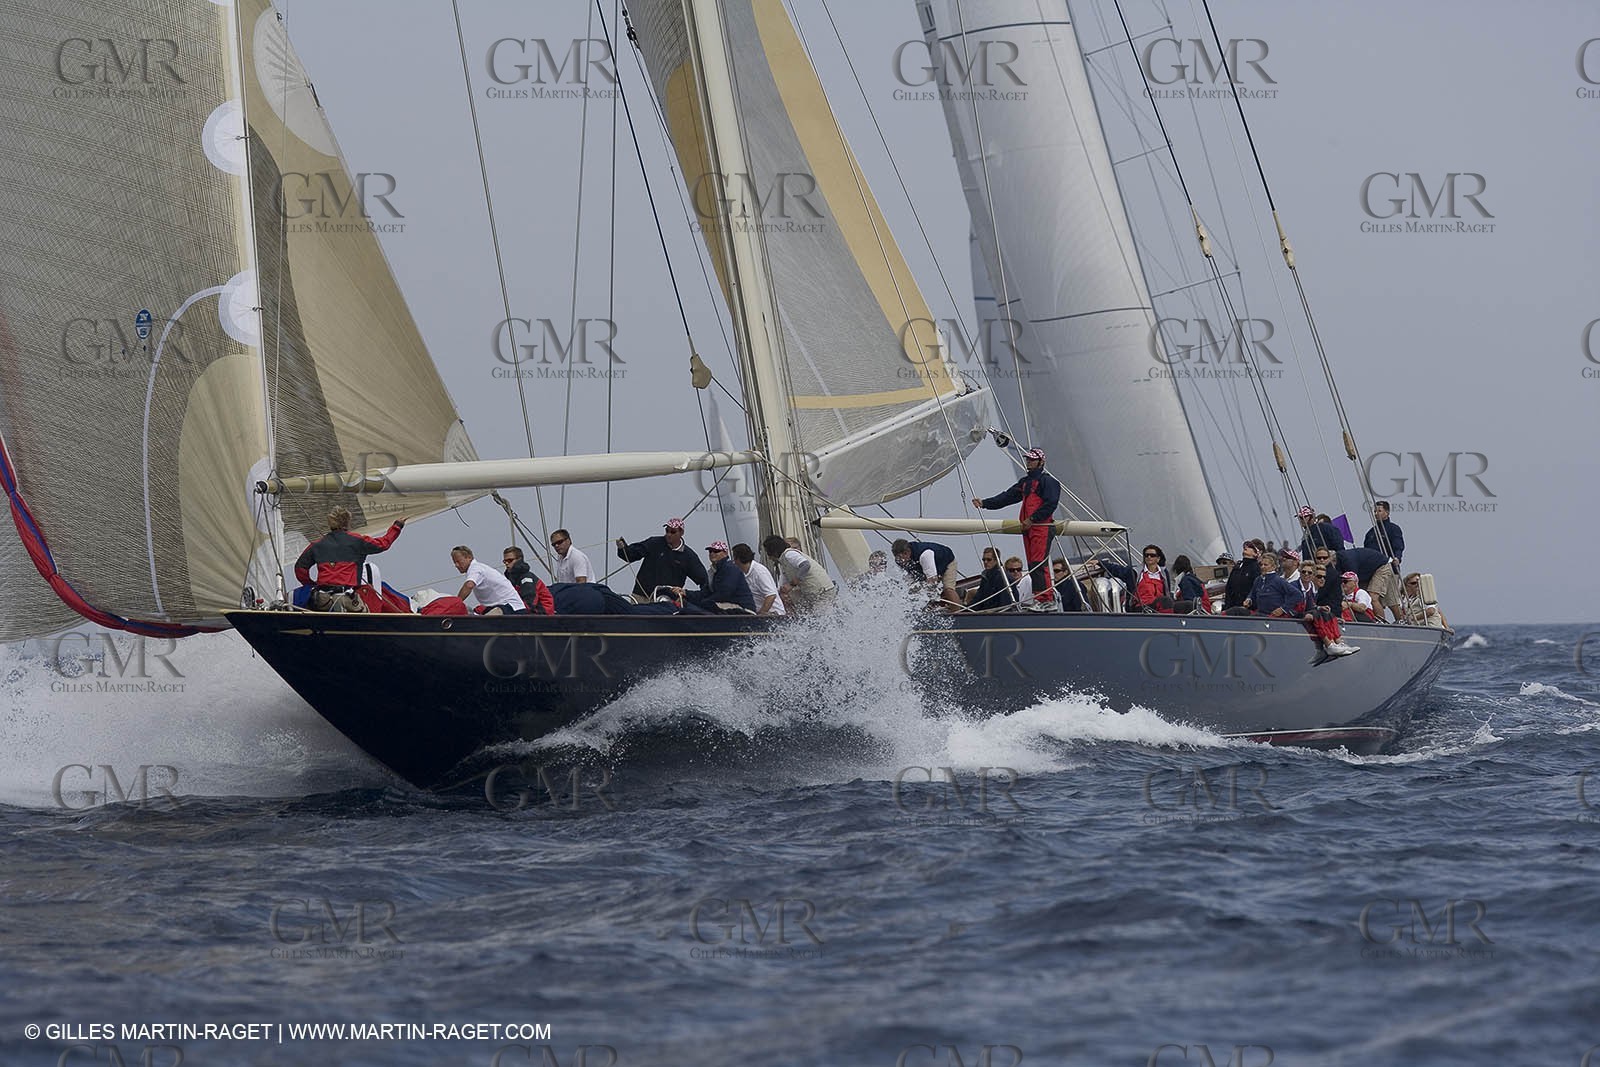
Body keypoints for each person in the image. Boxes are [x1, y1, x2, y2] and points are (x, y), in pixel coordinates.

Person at [971, 448, 1061, 611]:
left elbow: (1051, 504)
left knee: (1037, 564)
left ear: (1041, 462)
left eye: (1032, 460)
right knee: (1034, 563)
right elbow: (1007, 497)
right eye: (1028, 459)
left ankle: (1046, 599)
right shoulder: (1026, 482)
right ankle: (1040, 598)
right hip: (1029, 529)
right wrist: (985, 503)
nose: (1029, 462)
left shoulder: (1048, 482)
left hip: (1041, 528)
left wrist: (1032, 519)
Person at [294, 507, 407, 613]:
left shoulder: (317, 544)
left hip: (322, 599)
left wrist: (310, 584)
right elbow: (383, 544)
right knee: (367, 613)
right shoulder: (357, 541)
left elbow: (300, 568)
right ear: (347, 522)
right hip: (347, 598)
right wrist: (397, 526)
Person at [616, 518, 709, 602]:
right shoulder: (654, 543)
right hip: (641, 596)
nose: (668, 534)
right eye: (667, 531)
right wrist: (622, 548)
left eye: (673, 532)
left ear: (681, 533)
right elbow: (630, 555)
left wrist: (691, 595)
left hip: (666, 601)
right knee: (635, 621)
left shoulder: (688, 556)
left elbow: (704, 581)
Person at [674, 541, 756, 613]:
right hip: (726, 606)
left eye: (716, 551)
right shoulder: (712, 571)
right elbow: (704, 593)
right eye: (710, 551)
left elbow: (724, 594)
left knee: (705, 605)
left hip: (743, 609)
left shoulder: (730, 568)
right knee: (696, 604)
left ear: (725, 553)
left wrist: (702, 602)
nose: (712, 553)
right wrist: (686, 593)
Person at [764, 535, 836, 612]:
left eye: (768, 553)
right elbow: (782, 584)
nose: (769, 558)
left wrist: (792, 584)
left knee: (820, 617)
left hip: (823, 591)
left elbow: (805, 565)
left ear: (774, 552)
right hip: (814, 593)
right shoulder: (783, 563)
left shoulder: (789, 554)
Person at [1097, 545, 1175, 613]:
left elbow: (1167, 592)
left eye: (1152, 555)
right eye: (1146, 555)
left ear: (1158, 558)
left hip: (1161, 604)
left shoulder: (1164, 574)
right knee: (1165, 601)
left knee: (1186, 605)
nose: (1149, 557)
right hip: (1141, 606)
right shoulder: (1136, 572)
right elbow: (1118, 570)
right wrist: (1100, 563)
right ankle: (1168, 625)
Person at [1361, 502, 1404, 621]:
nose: (1376, 513)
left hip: (1389, 568)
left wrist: (1397, 558)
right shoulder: (1371, 532)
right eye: (1375, 511)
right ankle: (1381, 621)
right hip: (1374, 569)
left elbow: (1398, 545)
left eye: (1379, 511)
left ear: (1387, 512)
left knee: (1392, 601)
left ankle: (1401, 622)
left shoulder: (1393, 529)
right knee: (1374, 597)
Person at [452, 545, 525, 614]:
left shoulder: (475, 568)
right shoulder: (478, 568)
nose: (456, 565)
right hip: (501, 606)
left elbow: (469, 585)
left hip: (512, 608)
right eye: (454, 562)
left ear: (469, 558)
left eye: (458, 561)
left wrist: (455, 604)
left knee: (481, 624)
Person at [892, 538, 961, 610]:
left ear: (907, 552)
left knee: (948, 589)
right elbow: (910, 578)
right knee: (914, 591)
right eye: (897, 558)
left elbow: (932, 580)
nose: (900, 560)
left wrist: (927, 594)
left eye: (900, 557)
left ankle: (956, 611)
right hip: (925, 568)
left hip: (947, 561)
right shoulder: (900, 560)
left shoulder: (925, 555)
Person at [1246, 551, 1304, 618]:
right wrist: (1249, 599)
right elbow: (1252, 594)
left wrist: (1283, 609)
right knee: (1236, 611)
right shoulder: (1258, 580)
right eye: (1261, 565)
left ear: (1273, 567)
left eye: (1265, 565)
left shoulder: (1278, 581)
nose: (1262, 567)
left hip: (1271, 617)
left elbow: (1297, 595)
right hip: (1260, 614)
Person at [732, 543, 784, 615]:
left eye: (734, 558)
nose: (733, 562)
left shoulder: (759, 572)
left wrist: (760, 614)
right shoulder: (743, 573)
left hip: (773, 614)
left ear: (737, 559)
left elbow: (771, 595)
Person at [502, 546, 555, 615]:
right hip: (531, 613)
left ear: (519, 560)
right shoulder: (512, 580)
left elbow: (530, 602)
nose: (506, 563)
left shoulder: (526, 578)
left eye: (510, 560)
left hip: (543, 614)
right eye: (505, 561)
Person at [968, 547, 1017, 611]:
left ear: (996, 560)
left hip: (999, 615)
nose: (985, 562)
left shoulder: (1003, 578)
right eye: (984, 560)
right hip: (987, 613)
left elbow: (1005, 604)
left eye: (989, 560)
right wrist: (964, 610)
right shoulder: (985, 577)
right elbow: (978, 599)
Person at [1222, 541, 1263, 614]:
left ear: (1255, 553)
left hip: (1247, 609)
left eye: (1250, 547)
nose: (1246, 547)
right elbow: (1229, 587)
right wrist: (1226, 606)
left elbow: (1256, 588)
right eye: (1245, 546)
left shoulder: (1256, 568)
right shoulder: (1238, 566)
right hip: (1231, 608)